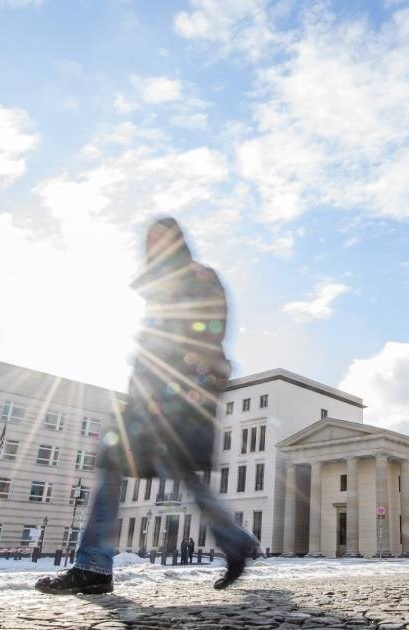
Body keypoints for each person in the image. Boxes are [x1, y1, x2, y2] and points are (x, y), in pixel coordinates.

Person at [36, 218, 255, 596]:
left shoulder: (193, 278)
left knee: (119, 466)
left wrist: (180, 382)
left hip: (173, 394)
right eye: (150, 242)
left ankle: (93, 566)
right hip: (160, 393)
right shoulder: (166, 283)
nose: (154, 248)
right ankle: (234, 540)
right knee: (178, 472)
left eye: (161, 240)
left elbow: (198, 332)